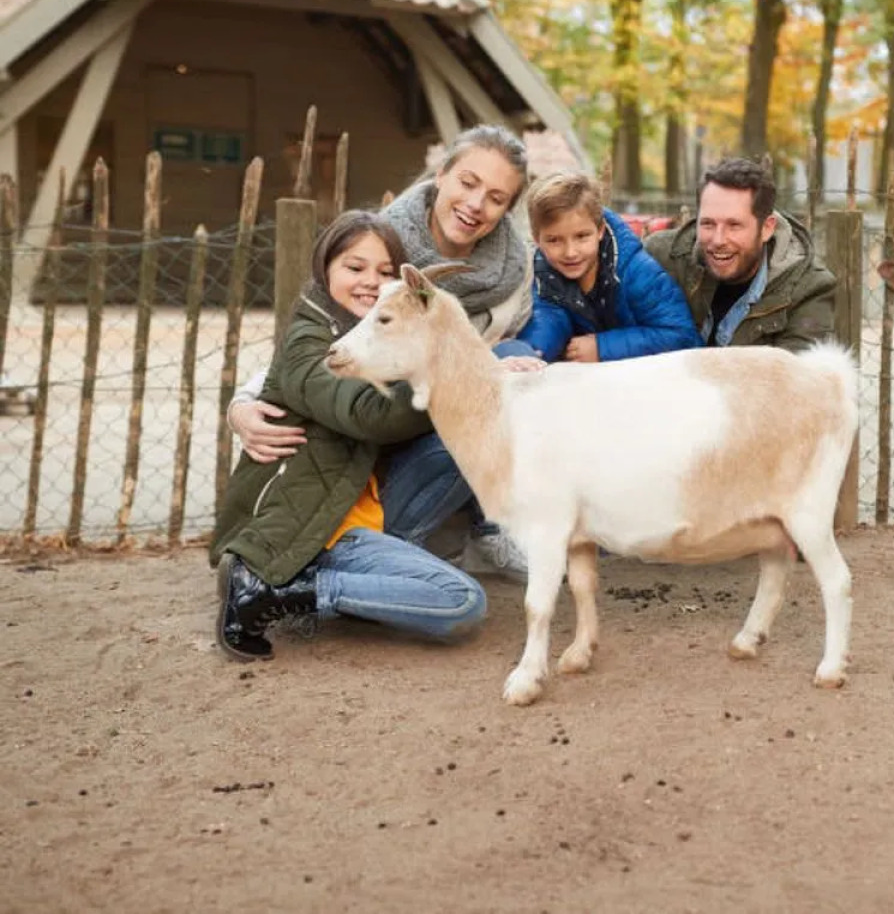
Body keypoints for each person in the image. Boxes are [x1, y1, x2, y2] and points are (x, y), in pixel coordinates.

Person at [227, 124, 540, 580]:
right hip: (382, 433)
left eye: (496, 197)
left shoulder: (514, 272)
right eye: (467, 183)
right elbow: (314, 344)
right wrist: (241, 405)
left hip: (439, 427)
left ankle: (488, 529)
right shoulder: (378, 253)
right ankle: (390, 548)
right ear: (442, 175)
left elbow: (499, 349)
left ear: (508, 209)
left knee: (517, 356)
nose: (475, 204)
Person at [212, 210, 488, 661]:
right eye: (354, 268)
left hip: (360, 507)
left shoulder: (372, 336)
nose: (369, 282)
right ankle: (273, 592)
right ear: (325, 268)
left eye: (384, 273)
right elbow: (370, 416)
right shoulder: (308, 341)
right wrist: (448, 371)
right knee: (463, 602)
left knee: (464, 436)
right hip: (315, 530)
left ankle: (381, 585)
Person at [644, 156, 836, 352]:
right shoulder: (661, 258)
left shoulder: (809, 289)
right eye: (708, 223)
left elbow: (793, 377)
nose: (718, 240)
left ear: (767, 229)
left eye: (734, 225)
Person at [517, 172, 702, 362]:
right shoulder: (543, 275)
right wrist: (531, 351)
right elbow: (548, 318)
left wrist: (602, 347)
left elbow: (682, 336)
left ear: (600, 230)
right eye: (554, 240)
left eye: (581, 236)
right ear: (537, 239)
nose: (570, 252)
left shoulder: (637, 272)